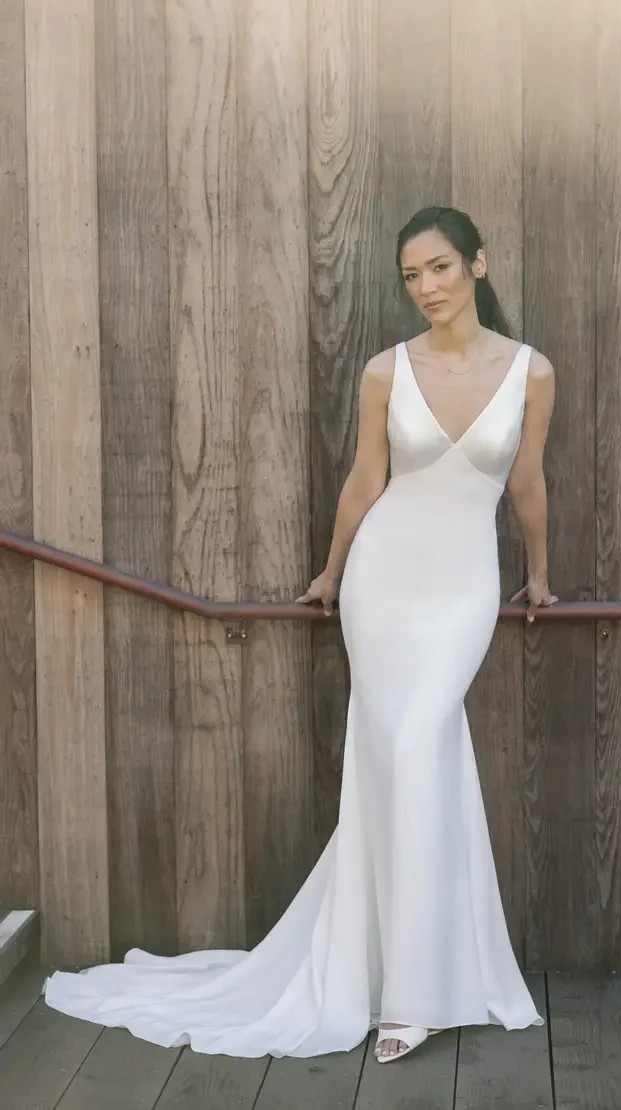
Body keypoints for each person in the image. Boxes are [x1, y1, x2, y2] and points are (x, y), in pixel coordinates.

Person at [43, 205, 556, 1065]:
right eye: (410, 276)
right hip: (382, 583)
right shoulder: (386, 371)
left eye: (438, 268)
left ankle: (423, 978)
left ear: (478, 264)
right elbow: (365, 480)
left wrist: (538, 573)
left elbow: (528, 482)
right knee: (395, 761)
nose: (425, 287)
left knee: (422, 742)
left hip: (463, 586)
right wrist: (330, 570)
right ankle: (405, 987)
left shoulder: (532, 371)